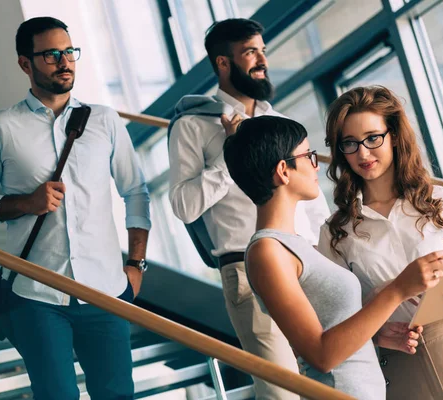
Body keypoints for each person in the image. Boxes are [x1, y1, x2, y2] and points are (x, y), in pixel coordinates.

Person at [0, 17, 150, 400]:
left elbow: (136, 191)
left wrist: (136, 264)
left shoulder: (105, 120)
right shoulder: (0, 127)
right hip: (37, 294)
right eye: (50, 54)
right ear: (25, 64)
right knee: (56, 395)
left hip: (107, 290)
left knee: (117, 396)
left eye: (69, 52)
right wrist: (26, 203)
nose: (64, 62)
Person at [223, 115, 443, 399]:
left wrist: (377, 336)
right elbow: (320, 355)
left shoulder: (295, 245)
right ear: (283, 170)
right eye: (308, 156)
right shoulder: (267, 252)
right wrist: (397, 290)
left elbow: (331, 329)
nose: (316, 165)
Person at [168, 18, 330, 399]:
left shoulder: (282, 123)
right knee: (282, 392)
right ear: (223, 63)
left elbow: (316, 207)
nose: (262, 60)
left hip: (308, 262)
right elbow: (183, 207)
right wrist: (230, 153)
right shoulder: (192, 126)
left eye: (263, 51)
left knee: (331, 379)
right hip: (247, 268)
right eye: (250, 52)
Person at [318, 85, 443, 398]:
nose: (363, 153)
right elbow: (333, 324)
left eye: (372, 138)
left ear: (393, 135)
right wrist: (377, 334)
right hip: (402, 370)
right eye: (350, 144)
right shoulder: (335, 232)